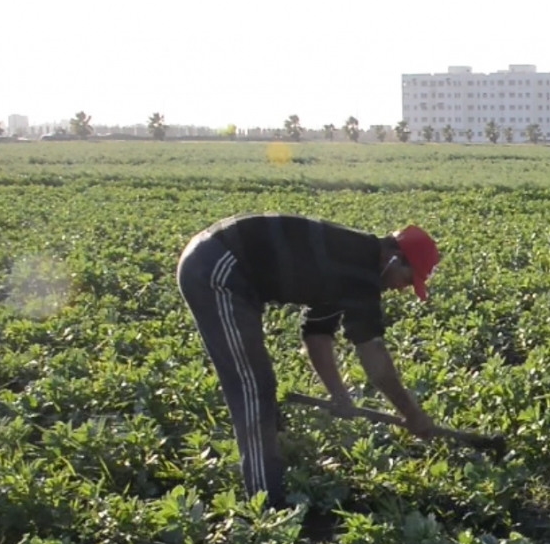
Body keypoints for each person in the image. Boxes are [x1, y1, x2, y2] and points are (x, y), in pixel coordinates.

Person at [176, 214, 441, 509]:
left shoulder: (354, 262)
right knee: (252, 386)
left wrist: (339, 395)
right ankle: (267, 506)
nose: (401, 288)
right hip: (218, 264)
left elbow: (317, 334)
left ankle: (279, 465)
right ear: (394, 258)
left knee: (259, 382)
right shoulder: (362, 272)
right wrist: (411, 412)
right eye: (407, 279)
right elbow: (373, 356)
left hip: (221, 263)